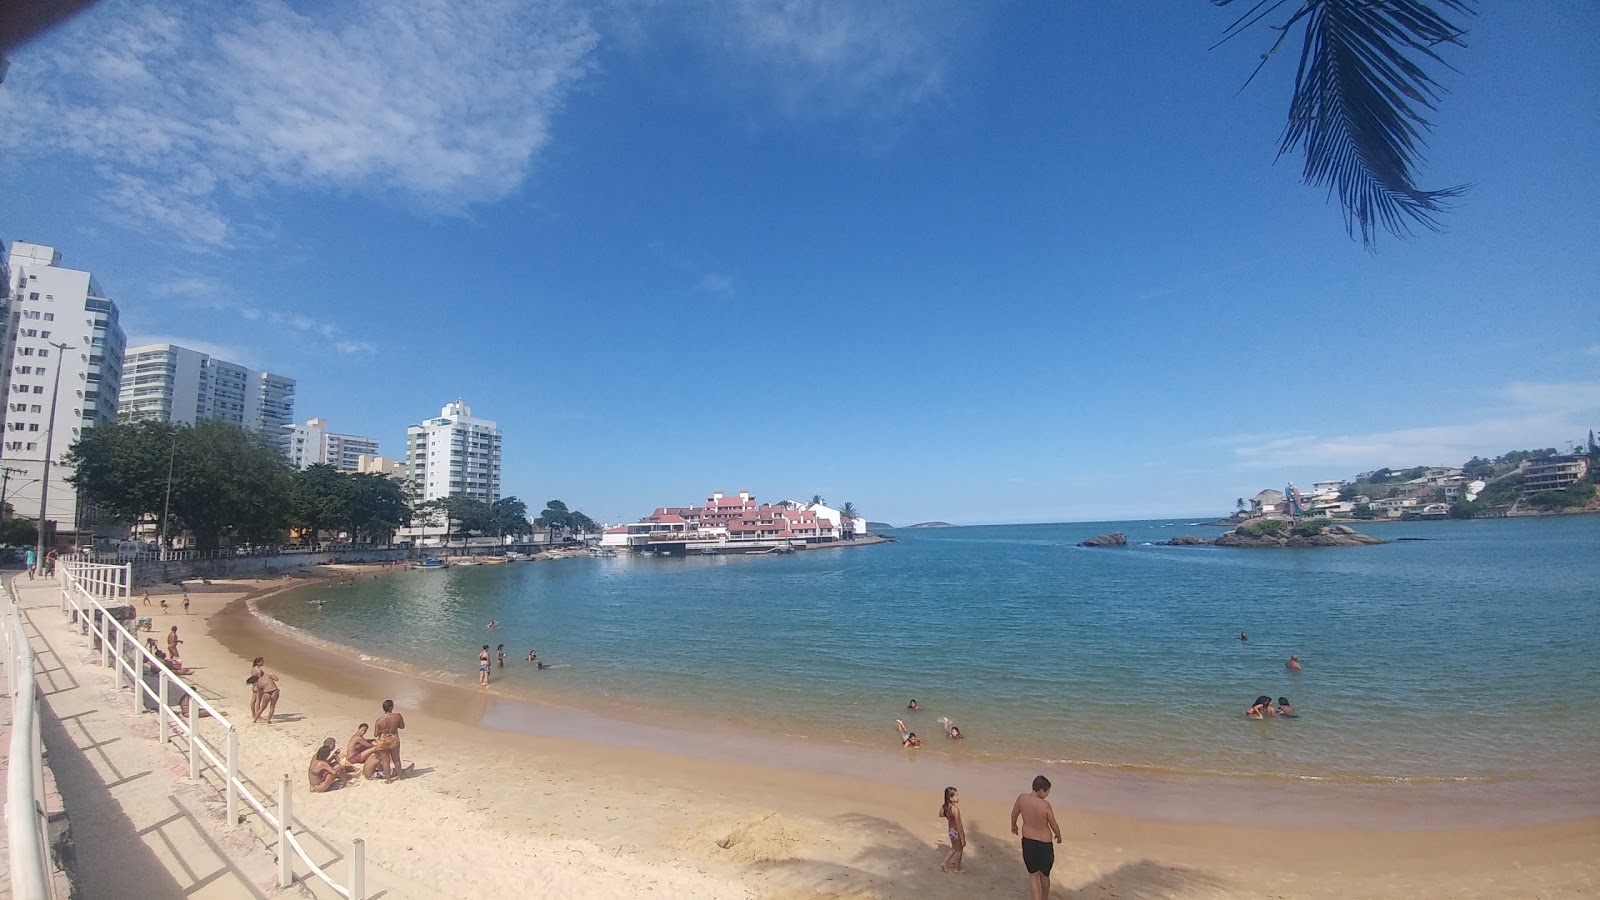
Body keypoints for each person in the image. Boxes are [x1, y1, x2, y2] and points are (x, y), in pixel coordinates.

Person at [1011, 775, 1062, 900]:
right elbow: (1053, 824)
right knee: (1045, 874)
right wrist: (1058, 835)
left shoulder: (1022, 798)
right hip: (1044, 844)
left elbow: (1014, 815)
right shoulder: (1045, 805)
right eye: (1047, 791)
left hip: (1028, 841)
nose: (1048, 795)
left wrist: (1014, 826)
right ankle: (1044, 898)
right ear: (1041, 790)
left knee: (1033, 874)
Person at [373, 699, 407, 781]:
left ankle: (388, 780)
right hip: (393, 738)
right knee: (396, 759)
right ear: (391, 707)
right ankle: (400, 776)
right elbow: (402, 726)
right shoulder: (397, 716)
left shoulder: (379, 720)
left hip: (383, 740)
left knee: (385, 761)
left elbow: (376, 734)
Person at [939, 786, 966, 874]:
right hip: (956, 831)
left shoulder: (945, 807)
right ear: (951, 798)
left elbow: (940, 814)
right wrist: (962, 838)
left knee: (954, 848)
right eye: (956, 796)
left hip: (950, 830)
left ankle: (945, 863)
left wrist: (948, 816)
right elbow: (959, 825)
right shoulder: (955, 810)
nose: (958, 797)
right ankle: (956, 869)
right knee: (959, 850)